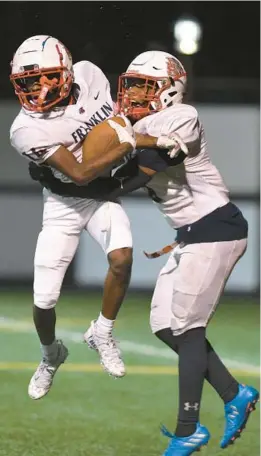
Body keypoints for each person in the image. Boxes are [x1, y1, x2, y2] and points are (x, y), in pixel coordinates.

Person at [41, 50, 259, 455]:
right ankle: (235, 393)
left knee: (188, 328)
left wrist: (69, 179)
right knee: (164, 323)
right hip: (192, 234)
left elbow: (126, 180)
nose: (135, 94)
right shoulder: (136, 123)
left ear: (171, 89)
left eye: (146, 86)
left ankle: (188, 429)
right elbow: (108, 168)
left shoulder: (182, 116)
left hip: (216, 229)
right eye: (132, 85)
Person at [9, 36, 180, 401]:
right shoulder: (25, 129)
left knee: (122, 258)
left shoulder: (91, 75)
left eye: (44, 78)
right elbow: (80, 174)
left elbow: (121, 126)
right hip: (64, 204)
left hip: (101, 197)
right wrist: (130, 144)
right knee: (44, 300)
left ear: (67, 73)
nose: (35, 89)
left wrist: (151, 141)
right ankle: (50, 354)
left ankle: (102, 331)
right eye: (27, 83)